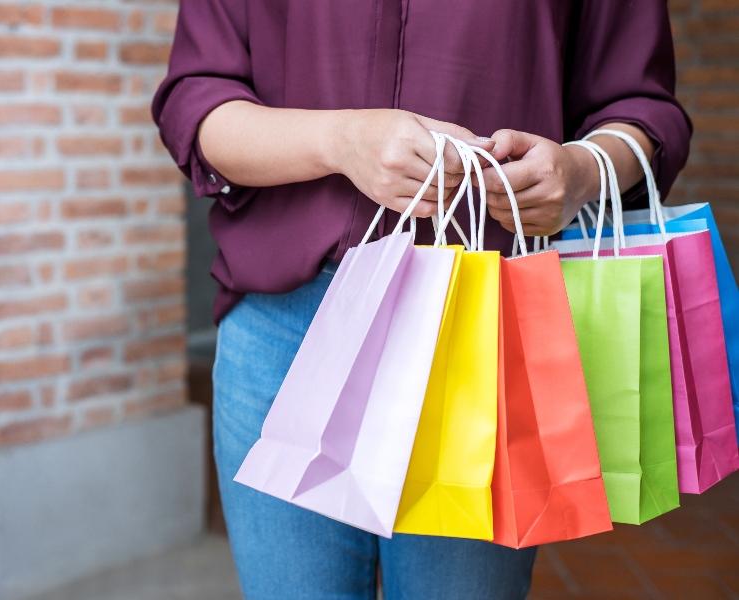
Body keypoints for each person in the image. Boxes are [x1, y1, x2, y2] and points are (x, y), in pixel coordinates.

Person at [152, 2, 692, 598]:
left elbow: (640, 107)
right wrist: (339, 141)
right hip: (286, 331)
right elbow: (197, 102)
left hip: (486, 337)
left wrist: (583, 171)